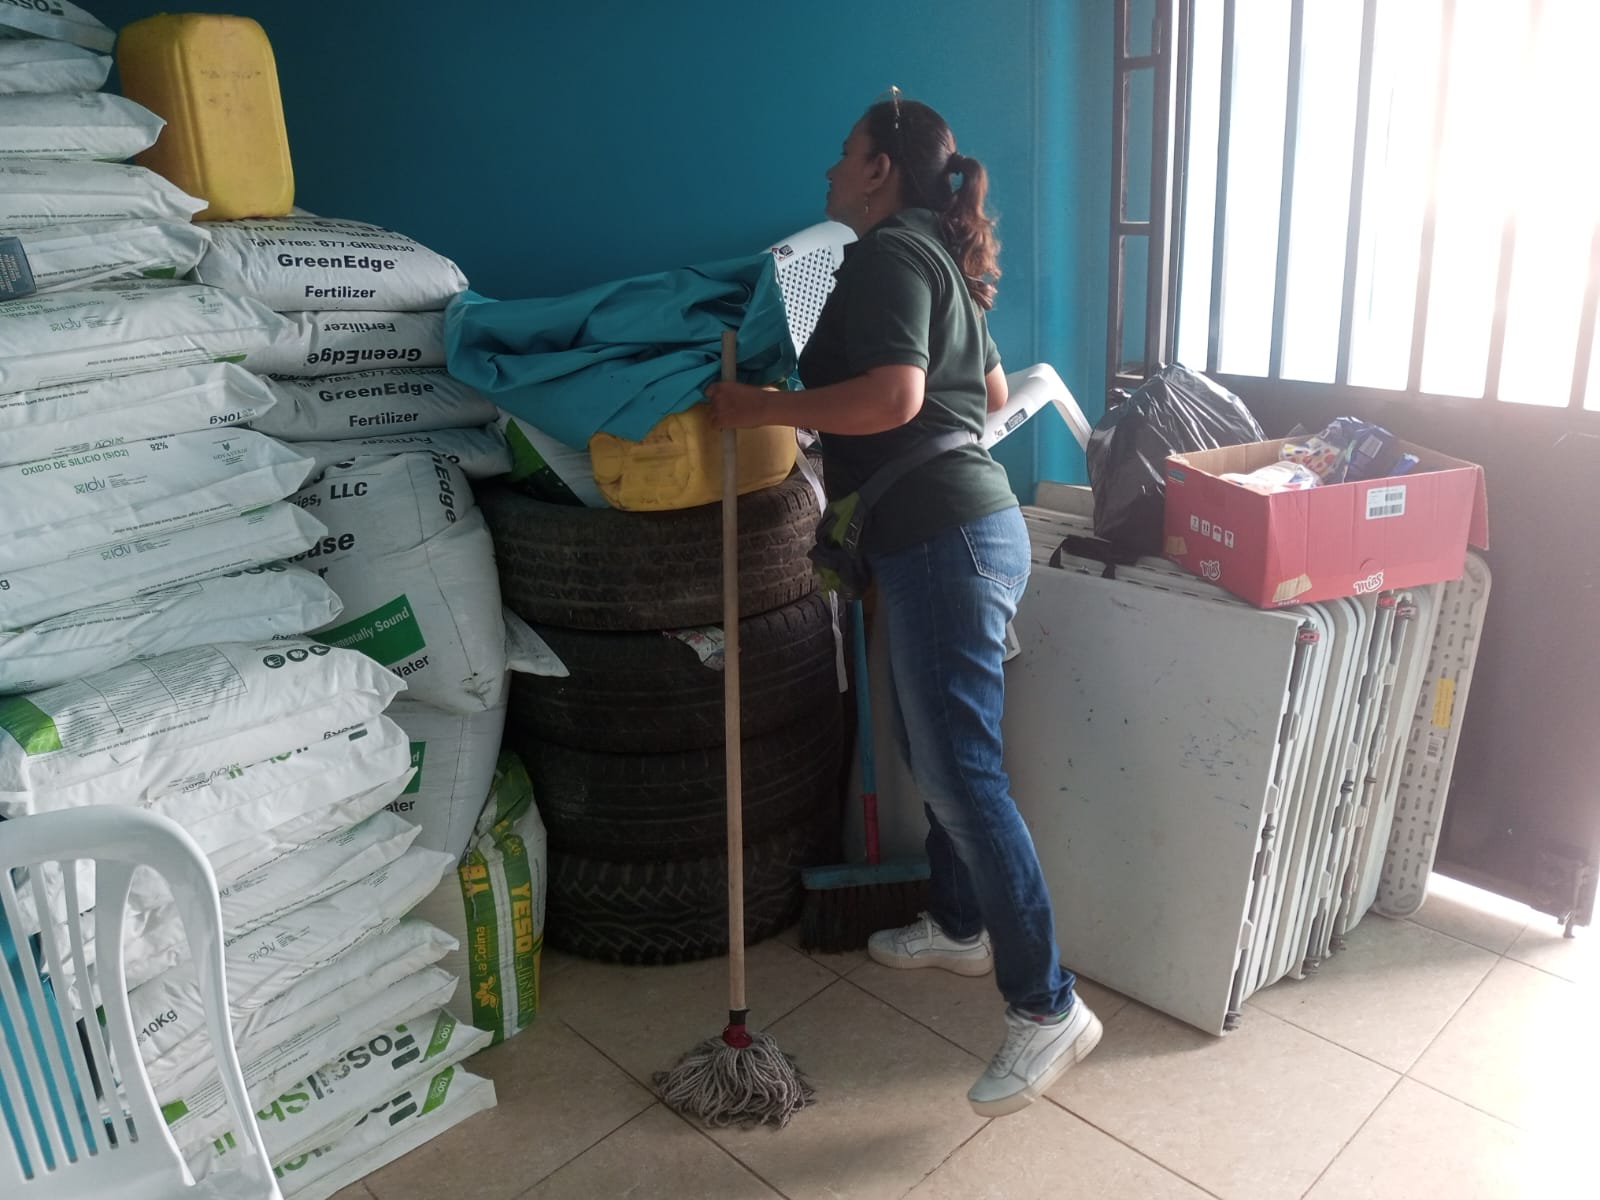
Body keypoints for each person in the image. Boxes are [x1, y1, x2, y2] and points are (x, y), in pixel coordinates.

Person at [706, 93, 1100, 1117]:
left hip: (942, 537)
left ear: (881, 167)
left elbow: (895, 398)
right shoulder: (944, 260)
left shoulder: (885, 255)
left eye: (845, 154)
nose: (830, 171)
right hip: (965, 527)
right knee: (945, 755)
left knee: (962, 773)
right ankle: (962, 926)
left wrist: (764, 408)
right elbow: (992, 391)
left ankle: (1047, 1006)